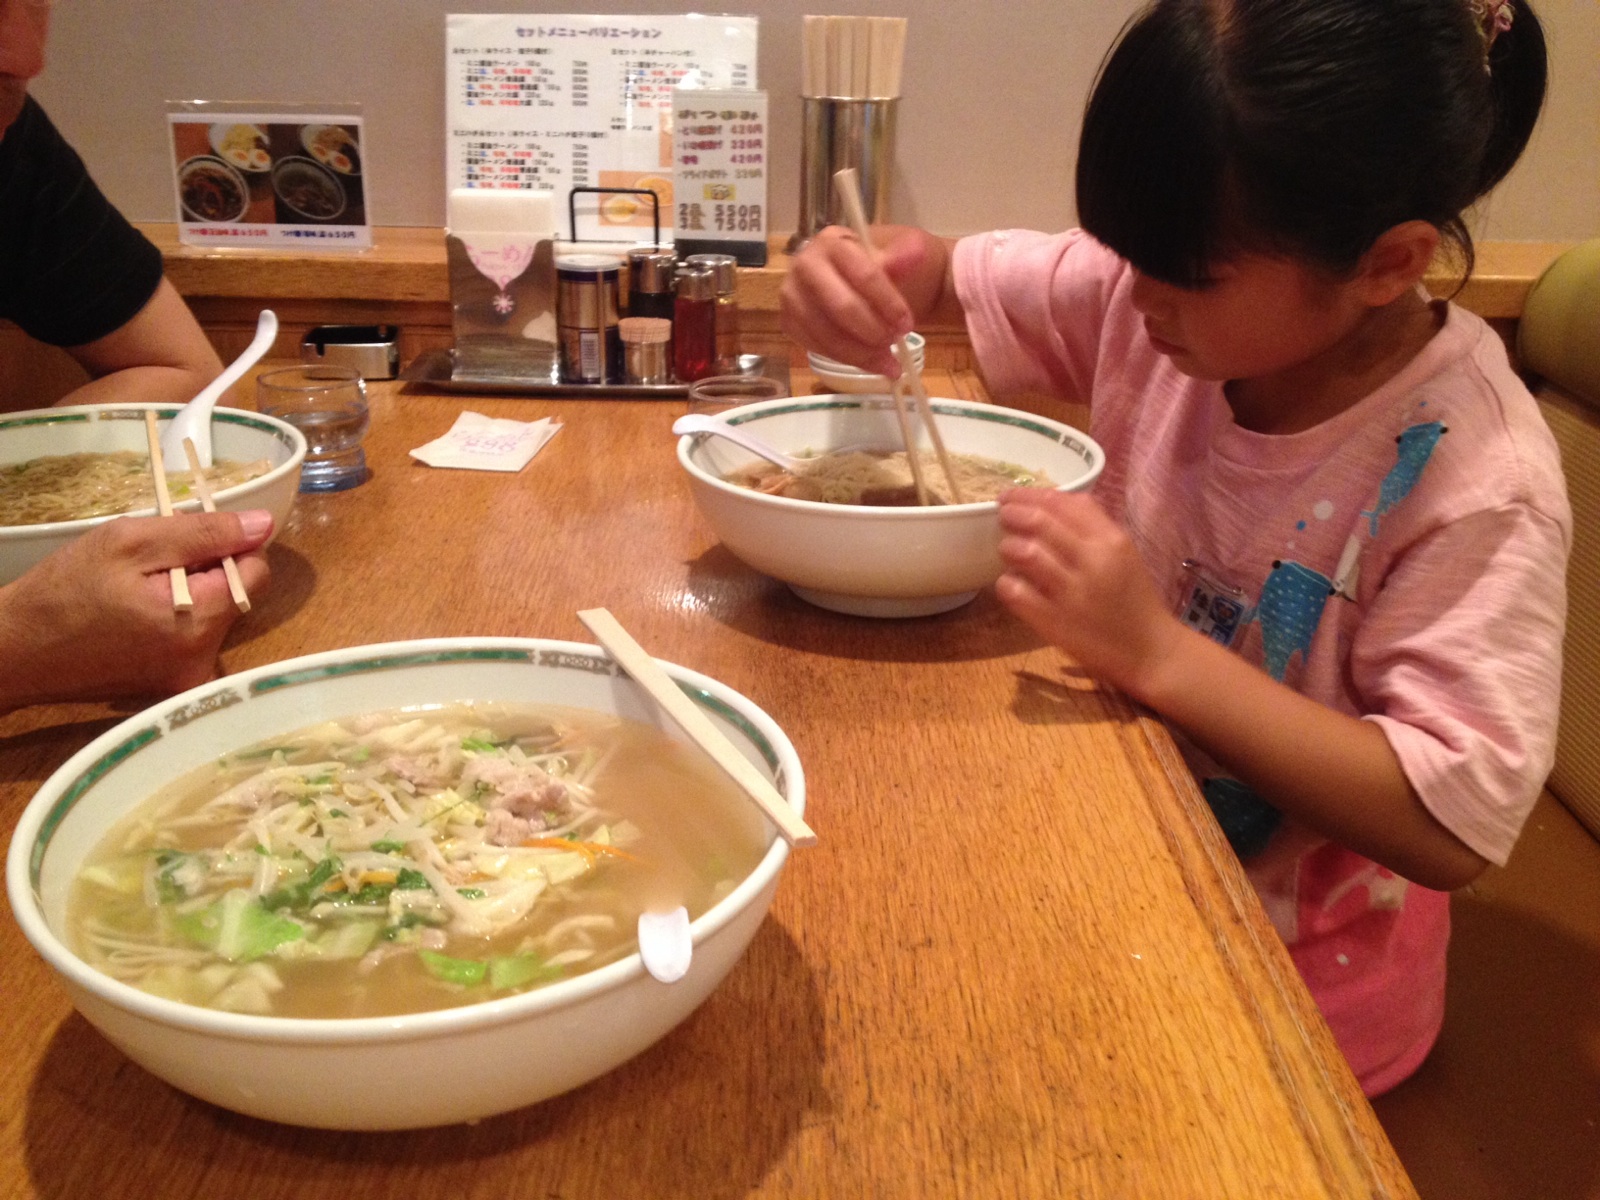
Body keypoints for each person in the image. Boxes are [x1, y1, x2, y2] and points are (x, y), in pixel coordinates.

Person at [780, 0, 1569, 1097]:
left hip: (1293, 1000)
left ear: (1389, 263)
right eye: (1125, 252)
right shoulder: (1156, 300)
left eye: (1182, 273)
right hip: (1109, 867)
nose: (1134, 296)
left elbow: (1451, 822)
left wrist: (1152, 651)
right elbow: (953, 276)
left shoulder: (1476, 477)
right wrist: (889, 269)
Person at [0, 0, 272, 708]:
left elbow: (182, 377)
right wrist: (18, 645)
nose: (26, 55)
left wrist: (35, 486)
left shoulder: (11, 140)